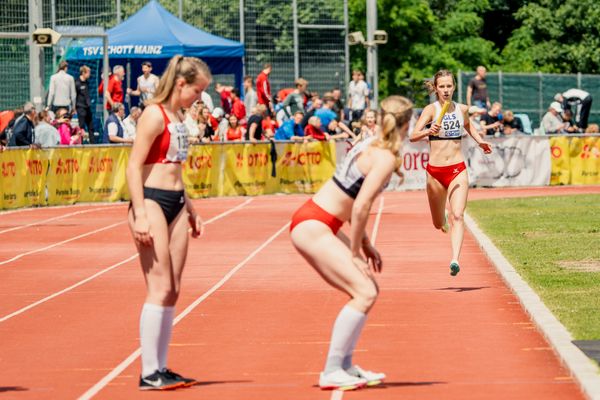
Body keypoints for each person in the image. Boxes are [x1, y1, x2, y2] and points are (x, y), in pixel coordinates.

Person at [290, 95, 413, 391]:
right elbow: (359, 207)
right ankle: (333, 369)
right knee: (364, 291)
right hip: (314, 225)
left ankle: (344, 365)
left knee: (367, 290)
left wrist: (366, 243)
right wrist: (356, 251)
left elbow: (348, 198)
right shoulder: (383, 157)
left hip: (318, 219)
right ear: (406, 125)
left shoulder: (370, 144)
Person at [126, 55, 211, 391]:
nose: (200, 98)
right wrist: (141, 214)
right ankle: (149, 372)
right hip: (151, 201)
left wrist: (191, 209)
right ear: (180, 84)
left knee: (173, 289)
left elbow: (175, 167)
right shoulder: (153, 114)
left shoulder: (178, 116)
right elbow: (134, 166)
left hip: (176, 203)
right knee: (159, 288)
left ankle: (161, 366)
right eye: (197, 90)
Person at [411, 69, 492, 276]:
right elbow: (413, 136)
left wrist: (480, 141)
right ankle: (442, 221)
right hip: (435, 172)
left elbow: (469, 127)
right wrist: (428, 131)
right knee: (438, 223)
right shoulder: (431, 109)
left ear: (454, 87)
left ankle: (455, 259)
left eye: (449, 86)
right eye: (442, 87)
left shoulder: (462, 109)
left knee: (458, 214)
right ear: (436, 89)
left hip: (457, 168)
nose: (446, 90)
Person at [75, 65, 94, 139]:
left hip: (88, 107)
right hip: (81, 107)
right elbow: (74, 96)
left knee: (91, 126)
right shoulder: (77, 83)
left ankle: (93, 145)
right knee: (81, 127)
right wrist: (75, 107)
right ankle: (81, 143)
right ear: (83, 73)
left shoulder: (87, 82)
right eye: (88, 73)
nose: (89, 74)